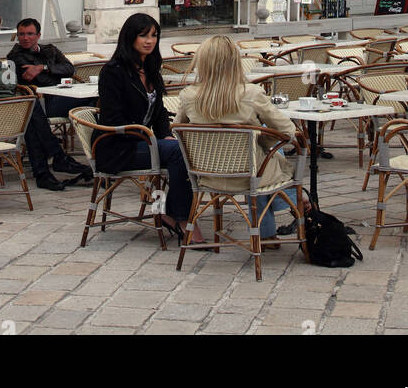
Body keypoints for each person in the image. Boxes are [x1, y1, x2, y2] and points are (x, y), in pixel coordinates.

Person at [175, 35, 307, 241]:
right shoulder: (251, 93)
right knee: (265, 154)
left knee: (259, 153)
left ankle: (271, 232)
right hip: (248, 175)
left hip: (207, 174)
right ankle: (294, 208)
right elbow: (288, 131)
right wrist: (264, 137)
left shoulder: (188, 96)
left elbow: (179, 129)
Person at [0, 18, 89, 191]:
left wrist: (0, 78)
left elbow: (9, 78)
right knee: (30, 108)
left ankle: (44, 173)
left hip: (0, 104)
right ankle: (57, 158)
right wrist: (0, 77)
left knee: (29, 110)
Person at [95, 13, 198, 242]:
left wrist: (165, 135)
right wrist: (151, 139)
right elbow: (112, 118)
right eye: (143, 35)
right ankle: (180, 219)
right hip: (117, 146)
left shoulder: (150, 68)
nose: (149, 41)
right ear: (130, 37)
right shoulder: (113, 72)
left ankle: (166, 212)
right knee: (179, 153)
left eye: (154, 35)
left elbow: (159, 112)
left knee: (184, 148)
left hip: (144, 143)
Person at [7, 17, 89, 119]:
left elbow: (70, 69)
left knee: (95, 99)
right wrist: (58, 72)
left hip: (62, 95)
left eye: (30, 34)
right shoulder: (15, 55)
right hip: (43, 103)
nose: (25, 38)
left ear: (38, 35)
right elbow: (41, 80)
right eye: (21, 34)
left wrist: (43, 68)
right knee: (93, 101)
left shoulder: (50, 49)